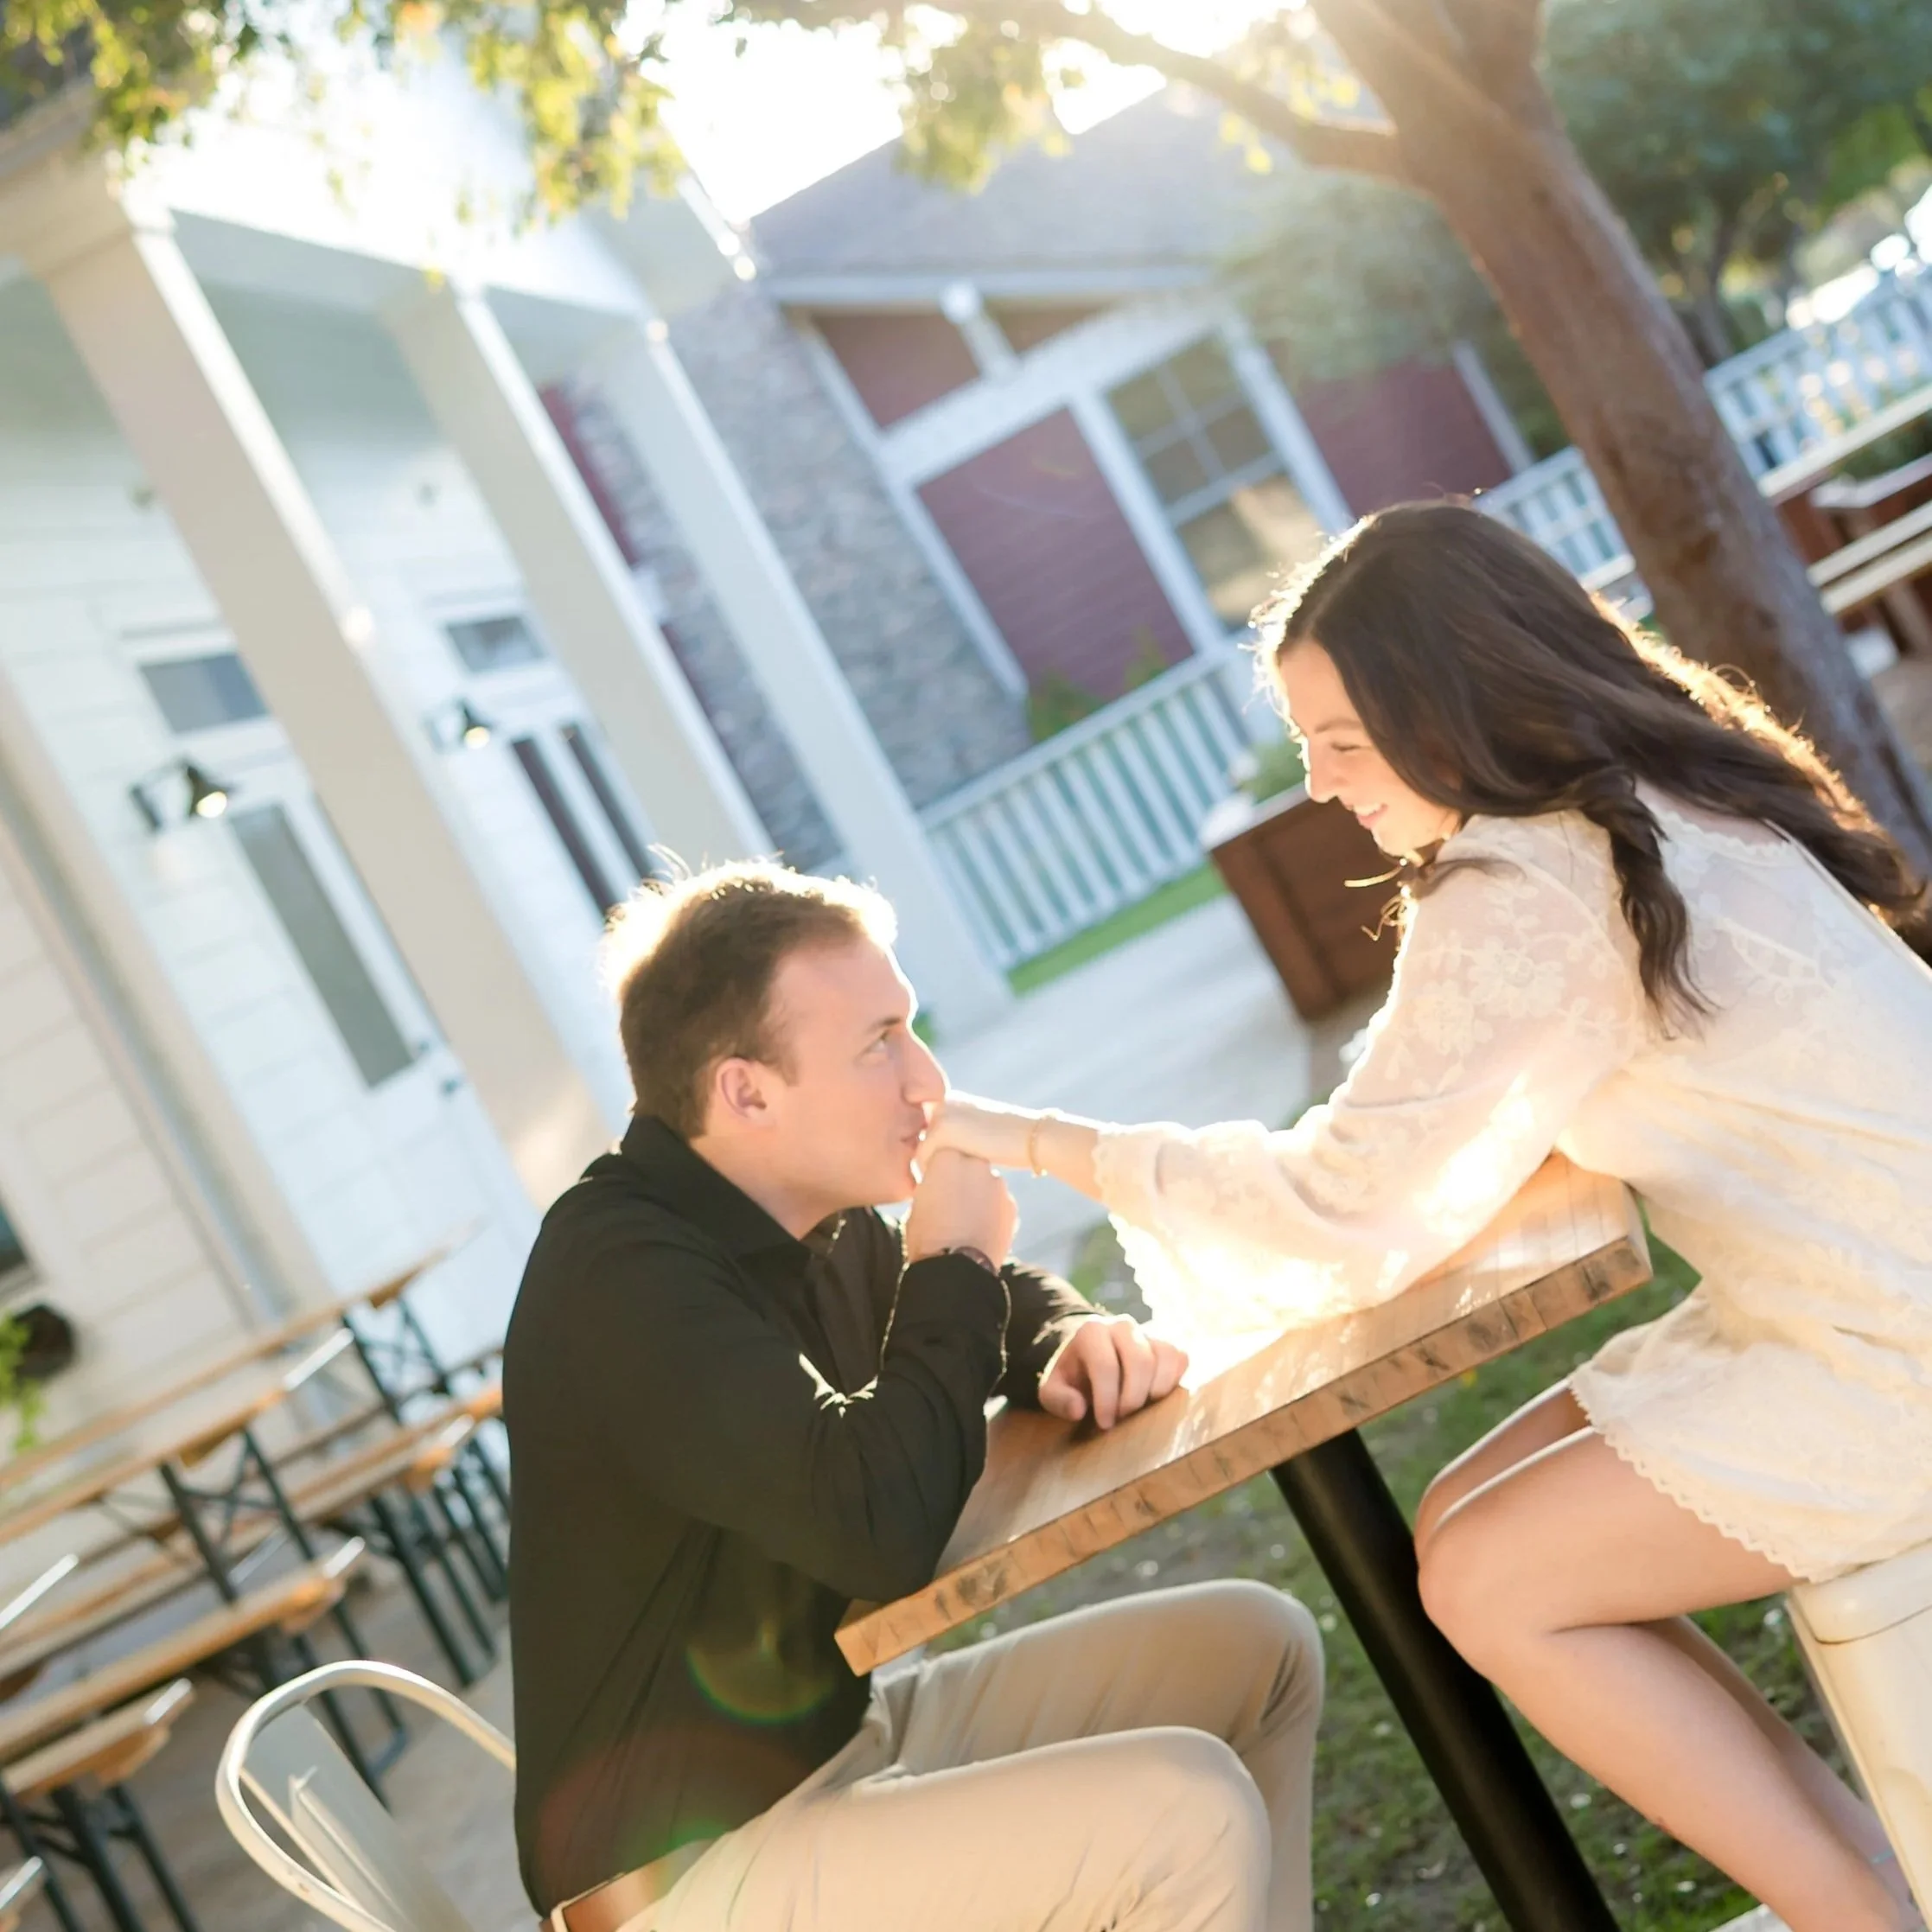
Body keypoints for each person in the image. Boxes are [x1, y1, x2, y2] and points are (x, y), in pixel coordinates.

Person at [927, 501, 1932, 1932]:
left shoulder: (1530, 878)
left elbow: (1340, 1208)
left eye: (1342, 741)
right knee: (1454, 1525)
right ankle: (1872, 1880)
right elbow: (1416, 1144)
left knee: (1488, 1582)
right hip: (1873, 1286)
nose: (1323, 786)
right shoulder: (1632, 785)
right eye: (1303, 749)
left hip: (1893, 1342)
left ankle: (1869, 1913)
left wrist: (1024, 1136)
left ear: (1448, 703)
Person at [502, 863, 1327, 1932]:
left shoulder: (811, 1212)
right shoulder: (621, 1276)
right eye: (878, 1043)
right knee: (1185, 1816)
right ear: (746, 1091)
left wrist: (1063, 1336)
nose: (926, 1080)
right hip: (686, 1877)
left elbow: (975, 1304)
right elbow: (877, 1522)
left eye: (911, 1028)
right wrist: (954, 1264)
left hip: (836, 1746)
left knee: (1255, 1649)